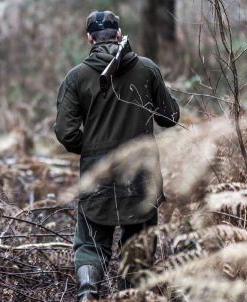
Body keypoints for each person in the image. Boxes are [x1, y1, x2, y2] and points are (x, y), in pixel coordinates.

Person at [54, 10, 180, 301]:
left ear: (89, 38)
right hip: (142, 175)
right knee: (137, 243)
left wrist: (93, 151)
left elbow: (66, 133)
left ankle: (88, 292)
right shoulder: (147, 69)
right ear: (119, 34)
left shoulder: (76, 77)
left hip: (97, 176)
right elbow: (171, 117)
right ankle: (130, 296)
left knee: (90, 244)